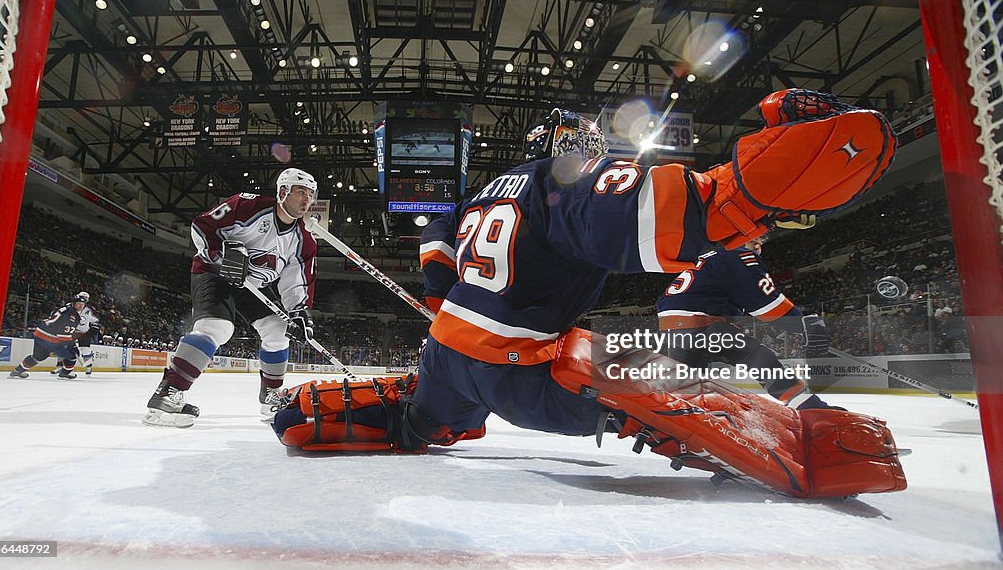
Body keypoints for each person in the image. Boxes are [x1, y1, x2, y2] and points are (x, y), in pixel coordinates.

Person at [272, 91, 906, 497]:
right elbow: (674, 213)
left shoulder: (491, 189)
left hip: (443, 358)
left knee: (425, 421)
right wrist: (753, 186)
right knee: (618, 372)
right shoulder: (568, 183)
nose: (592, 151)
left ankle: (409, 419)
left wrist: (442, 294)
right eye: (582, 144)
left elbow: (437, 238)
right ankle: (760, 437)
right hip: (517, 375)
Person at [142, 167, 319, 428]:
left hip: (254, 285)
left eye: (311, 195)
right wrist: (222, 258)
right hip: (215, 273)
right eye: (301, 192)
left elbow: (296, 281)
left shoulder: (304, 240)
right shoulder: (247, 206)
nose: (306, 200)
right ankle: (168, 394)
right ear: (283, 192)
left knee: (278, 329)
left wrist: (299, 312)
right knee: (216, 328)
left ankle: (270, 396)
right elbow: (202, 227)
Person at [655, 235, 840, 409]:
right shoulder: (738, 254)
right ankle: (807, 405)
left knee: (688, 386)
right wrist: (802, 323)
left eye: (762, 239)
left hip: (673, 326)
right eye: (754, 238)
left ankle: (672, 421)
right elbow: (761, 299)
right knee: (756, 355)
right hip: (701, 320)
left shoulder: (709, 258)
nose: (759, 242)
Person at [9, 292, 89, 379]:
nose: (80, 306)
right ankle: (65, 374)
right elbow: (63, 336)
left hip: (40, 334)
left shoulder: (65, 308)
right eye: (78, 304)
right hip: (51, 339)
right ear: (74, 304)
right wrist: (72, 346)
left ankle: (17, 371)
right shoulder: (72, 315)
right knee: (72, 355)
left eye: (82, 304)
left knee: (38, 357)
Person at [52, 302, 99, 376]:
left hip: (84, 332)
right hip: (71, 332)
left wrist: (95, 326)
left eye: (86, 298)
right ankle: (60, 366)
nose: (84, 300)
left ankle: (88, 367)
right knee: (63, 347)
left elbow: (94, 319)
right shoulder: (70, 307)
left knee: (85, 349)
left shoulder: (89, 309)